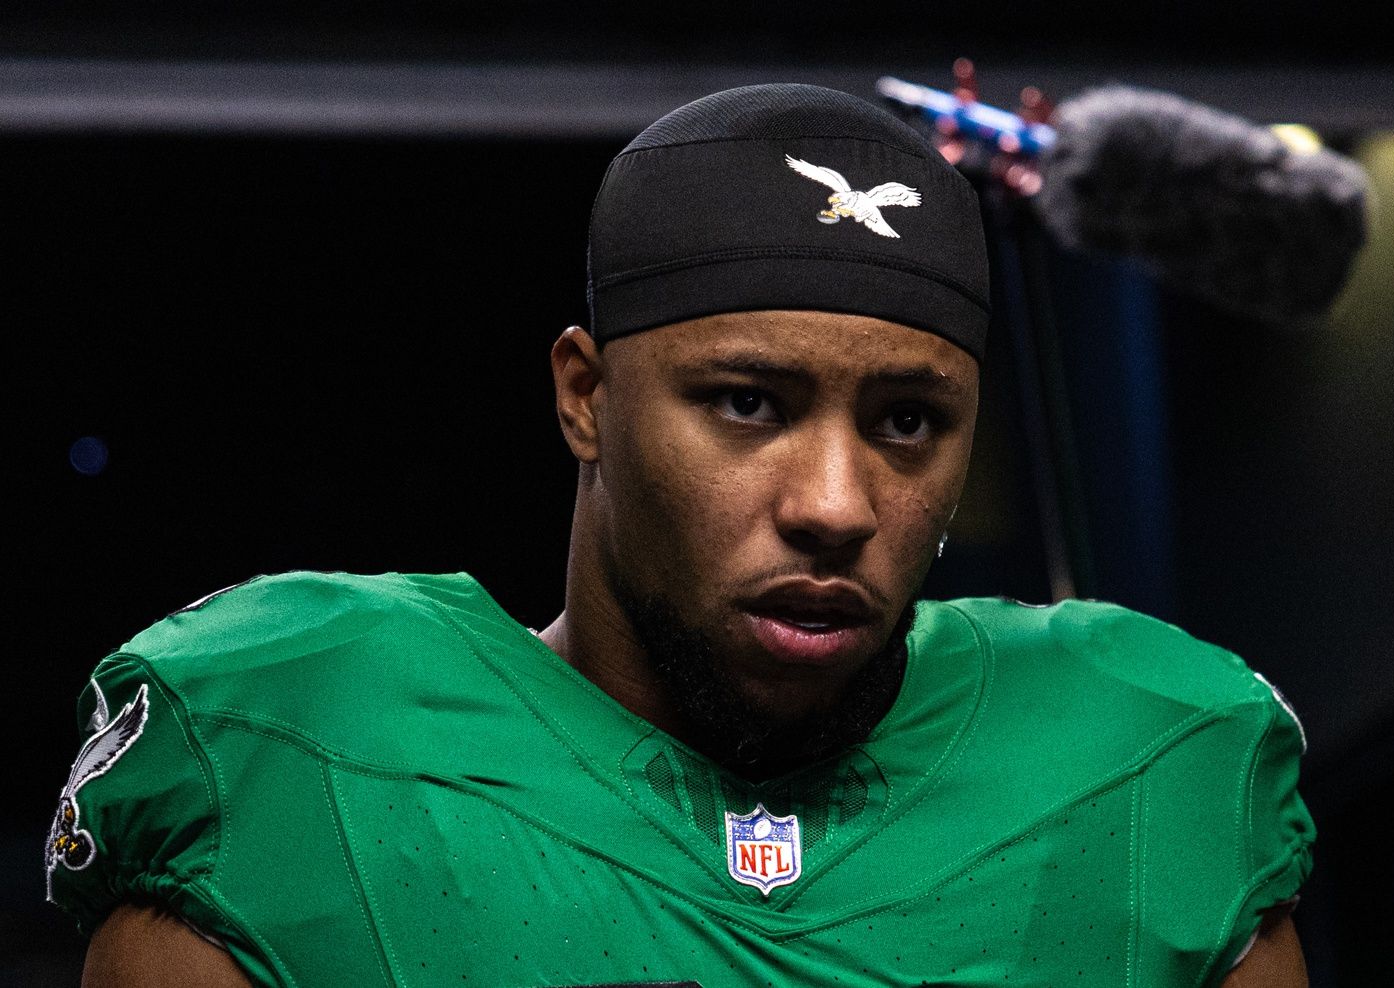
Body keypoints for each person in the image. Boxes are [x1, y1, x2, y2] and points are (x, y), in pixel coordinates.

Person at [47, 84, 1313, 987]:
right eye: (747, 403)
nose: (835, 502)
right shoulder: (287, 744)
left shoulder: (1150, 760)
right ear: (584, 396)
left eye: (910, 420)